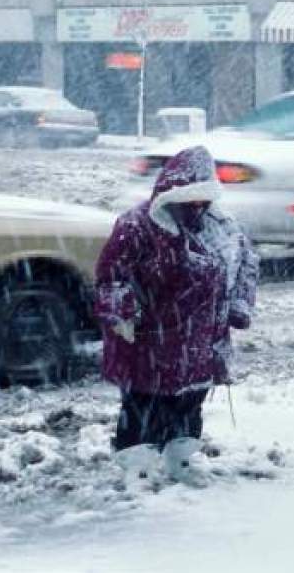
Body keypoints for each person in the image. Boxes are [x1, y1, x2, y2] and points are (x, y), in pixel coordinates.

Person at [94, 145, 258, 470]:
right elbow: (111, 276)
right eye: (190, 199)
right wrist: (121, 312)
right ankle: (137, 464)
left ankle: (180, 458)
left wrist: (239, 306)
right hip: (148, 345)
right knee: (144, 405)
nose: (197, 207)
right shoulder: (136, 227)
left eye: (203, 199)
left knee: (188, 403)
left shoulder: (223, 228)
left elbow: (246, 265)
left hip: (201, 345)